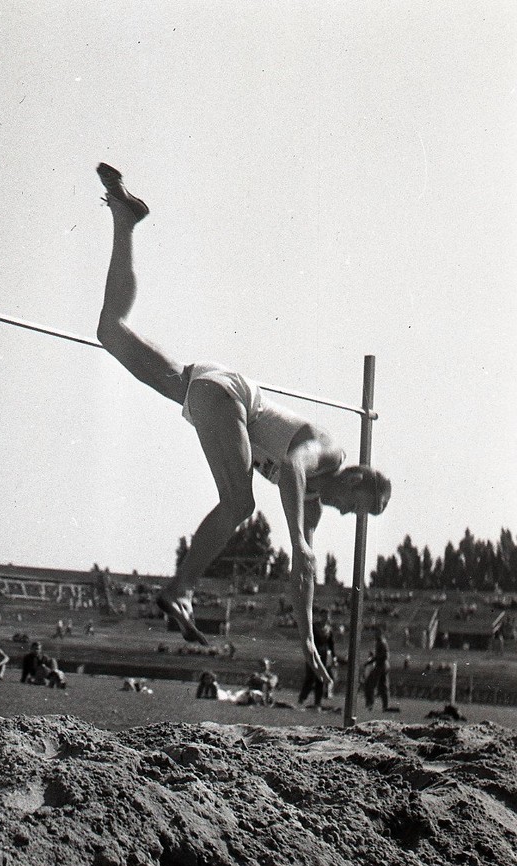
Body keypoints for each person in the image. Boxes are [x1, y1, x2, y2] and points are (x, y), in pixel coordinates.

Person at [93, 163, 391, 690]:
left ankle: (124, 219)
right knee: (240, 503)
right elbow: (294, 470)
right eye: (357, 504)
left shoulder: (316, 507)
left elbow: (305, 575)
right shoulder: (332, 454)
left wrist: (306, 641)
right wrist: (298, 538)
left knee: (110, 331)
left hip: (211, 390)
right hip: (228, 395)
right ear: (357, 481)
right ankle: (180, 590)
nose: (347, 511)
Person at [298, 612, 336, 709]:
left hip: (324, 655)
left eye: (327, 616)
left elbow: (331, 644)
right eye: (323, 616)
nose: (325, 618)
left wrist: (334, 656)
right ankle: (302, 698)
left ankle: (317, 702)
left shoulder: (329, 629)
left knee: (321, 678)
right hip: (314, 653)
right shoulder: (314, 627)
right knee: (310, 676)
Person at [363, 628, 391, 711]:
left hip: (381, 666)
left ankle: (370, 704)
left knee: (369, 684)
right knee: (383, 686)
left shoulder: (381, 642)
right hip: (385, 666)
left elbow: (383, 656)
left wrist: (370, 661)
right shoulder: (382, 642)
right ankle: (385, 706)